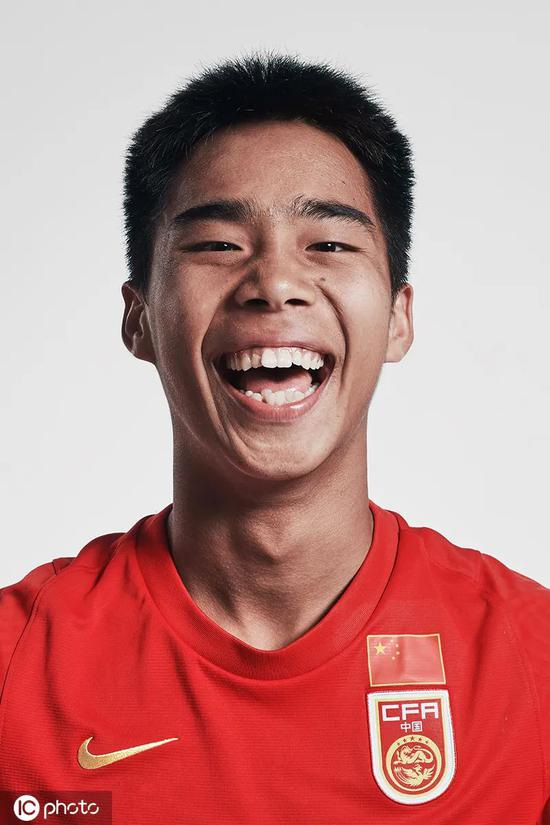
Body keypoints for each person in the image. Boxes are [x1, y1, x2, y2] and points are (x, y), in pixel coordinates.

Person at [0, 52, 548, 824]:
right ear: (139, 318)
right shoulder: (16, 664)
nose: (275, 283)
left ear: (398, 317)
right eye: (218, 244)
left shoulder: (530, 659)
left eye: (329, 244)